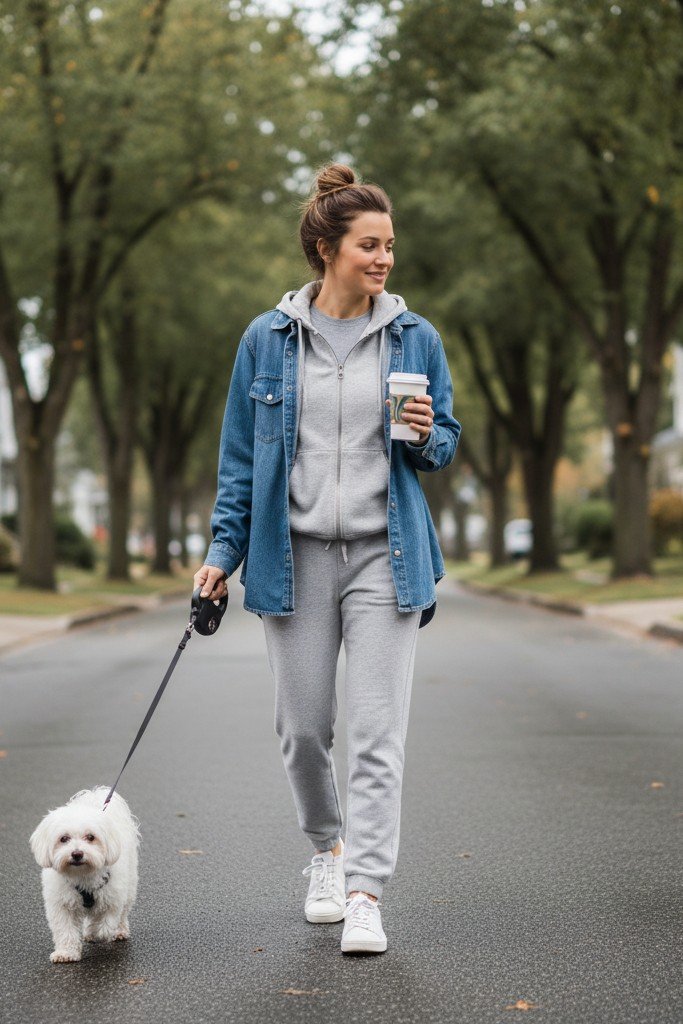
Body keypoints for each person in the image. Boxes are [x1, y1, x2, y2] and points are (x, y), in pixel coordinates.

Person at [193, 162, 461, 955]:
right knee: (304, 728)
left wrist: (421, 433)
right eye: (368, 246)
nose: (383, 260)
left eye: (388, 247)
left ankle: (366, 891)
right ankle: (326, 852)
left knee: (377, 731)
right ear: (326, 247)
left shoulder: (416, 337)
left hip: (387, 557)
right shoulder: (266, 339)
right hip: (293, 557)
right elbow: (240, 461)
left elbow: (442, 445)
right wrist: (220, 553)